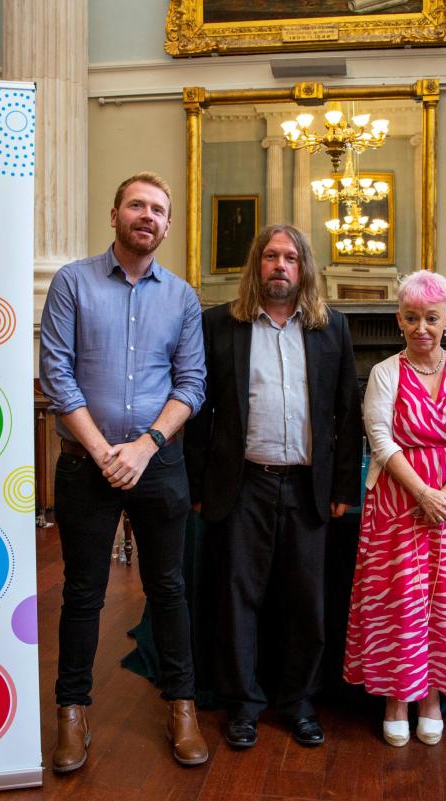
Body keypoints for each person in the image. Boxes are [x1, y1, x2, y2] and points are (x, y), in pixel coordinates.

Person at [39, 171, 209, 772]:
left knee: (169, 589)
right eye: (137, 205)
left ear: (166, 225)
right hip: (86, 465)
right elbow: (56, 375)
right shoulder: (72, 283)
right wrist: (106, 450)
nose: (148, 215)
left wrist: (143, 447)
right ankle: (72, 713)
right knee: (82, 593)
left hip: (159, 465)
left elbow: (192, 383)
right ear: (114, 215)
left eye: (159, 210)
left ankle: (181, 707)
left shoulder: (182, 297)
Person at [185, 224, 361, 749]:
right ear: (255, 266)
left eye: (290, 257)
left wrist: (343, 487)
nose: (279, 266)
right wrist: (199, 485)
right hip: (242, 485)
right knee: (238, 598)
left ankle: (300, 701)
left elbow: (346, 413)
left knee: (305, 600)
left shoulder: (331, 328)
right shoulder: (220, 325)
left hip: (309, 486)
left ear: (303, 268)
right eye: (270, 257)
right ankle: (243, 704)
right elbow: (200, 414)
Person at [343, 271, 446, 747]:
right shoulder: (387, 372)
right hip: (398, 499)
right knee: (400, 600)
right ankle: (396, 699)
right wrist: (423, 493)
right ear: (399, 321)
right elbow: (380, 439)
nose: (421, 327)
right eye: (411, 318)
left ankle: (432, 698)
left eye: (431, 318)